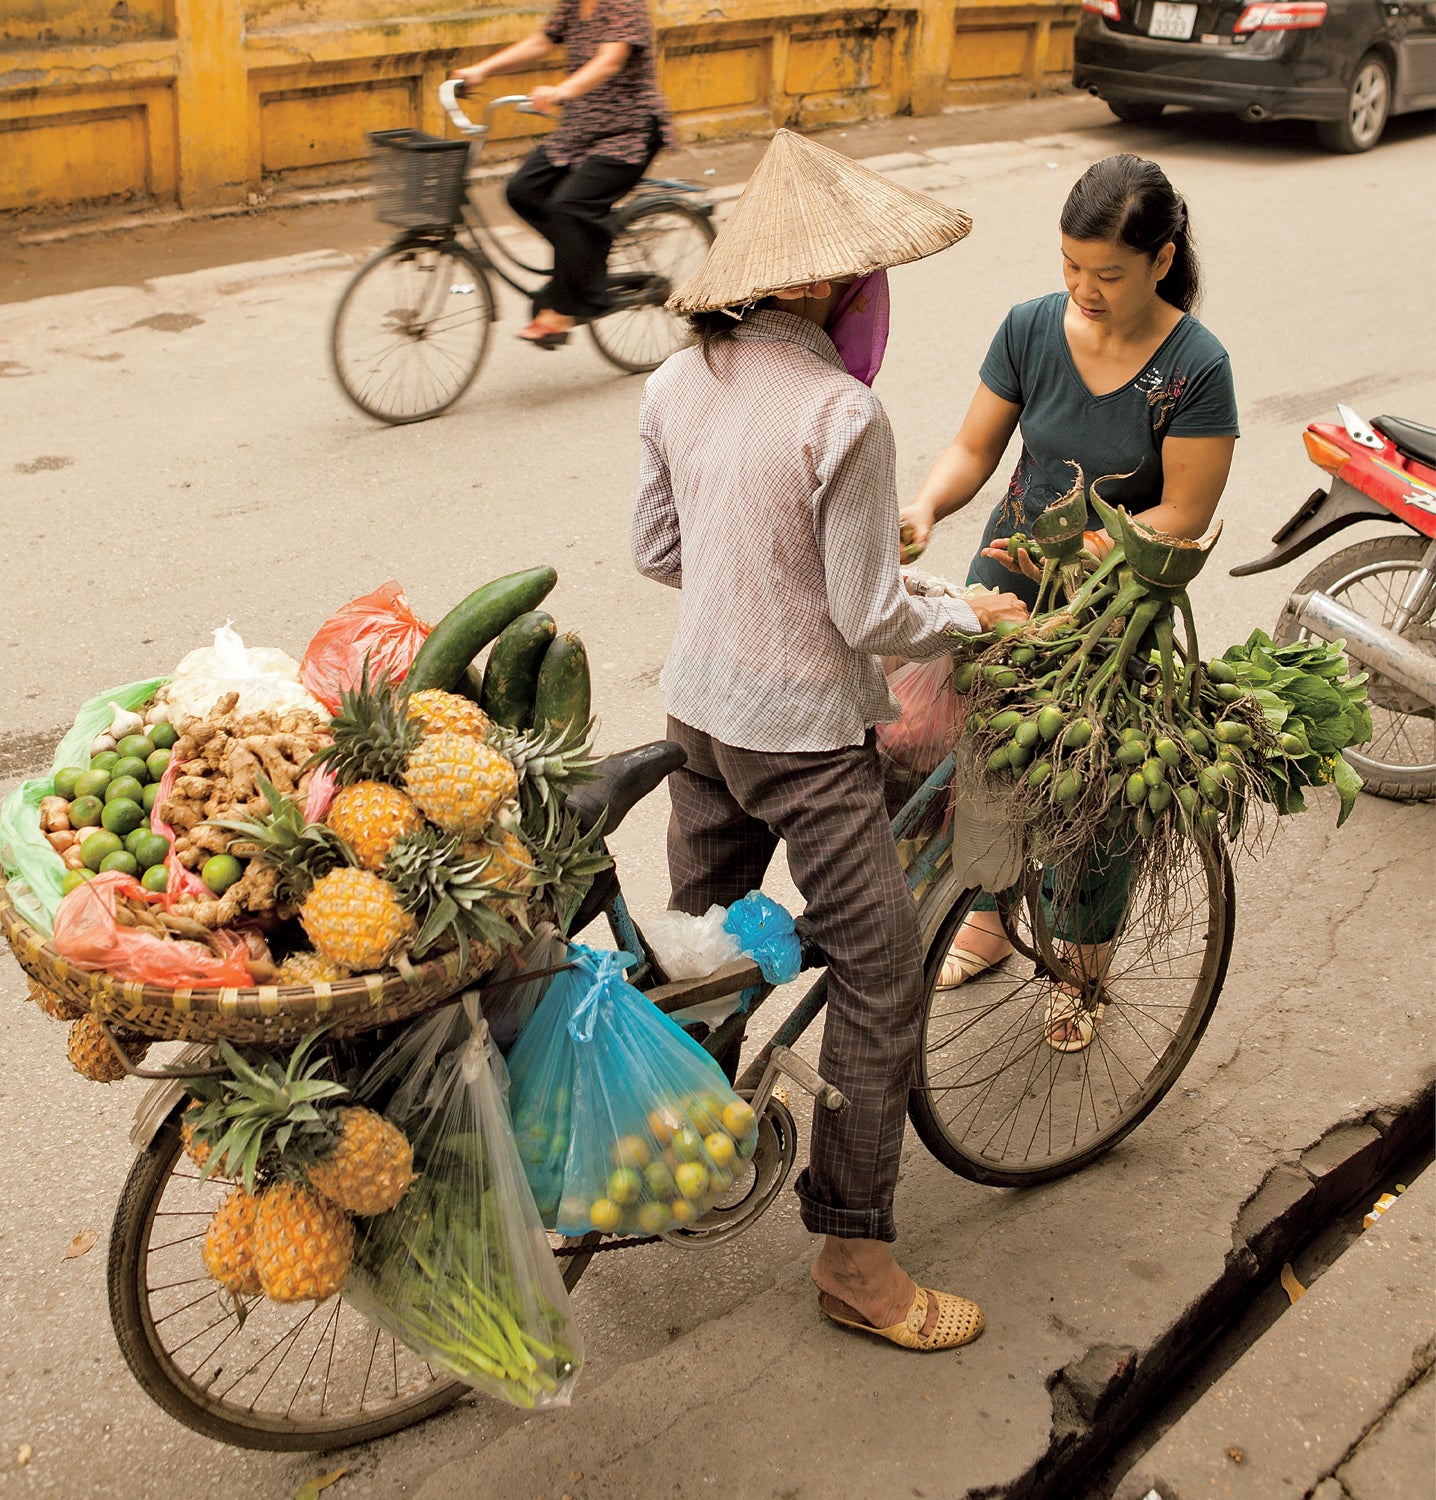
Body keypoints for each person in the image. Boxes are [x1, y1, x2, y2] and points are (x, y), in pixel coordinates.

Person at [631, 129, 1027, 1352]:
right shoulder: (843, 414)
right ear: (821, 288)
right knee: (882, 962)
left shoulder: (675, 383)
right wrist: (972, 609)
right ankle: (856, 1254)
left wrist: (771, 565)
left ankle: (668, 1159)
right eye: (866, 281)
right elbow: (869, 615)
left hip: (698, 714)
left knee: (699, 956)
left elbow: (659, 552)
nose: (877, 301)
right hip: (800, 736)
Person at [899, 153, 1238, 1030]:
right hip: (1007, 573)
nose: (1084, 290)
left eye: (1110, 274)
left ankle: (1079, 968)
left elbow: (1186, 510)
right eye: (1071, 266)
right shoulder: (1030, 328)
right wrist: (928, 503)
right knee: (975, 757)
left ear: (1162, 261)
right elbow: (976, 448)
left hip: (1114, 611)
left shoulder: (1195, 367)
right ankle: (981, 918)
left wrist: (1086, 544)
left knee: (1090, 785)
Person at [454, 0, 671, 349]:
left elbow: (610, 60)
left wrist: (561, 90)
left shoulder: (624, 4)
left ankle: (568, 303)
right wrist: (483, 69)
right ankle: (583, 259)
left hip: (627, 133)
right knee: (523, 190)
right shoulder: (574, 4)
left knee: (568, 205)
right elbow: (542, 41)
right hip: (579, 131)